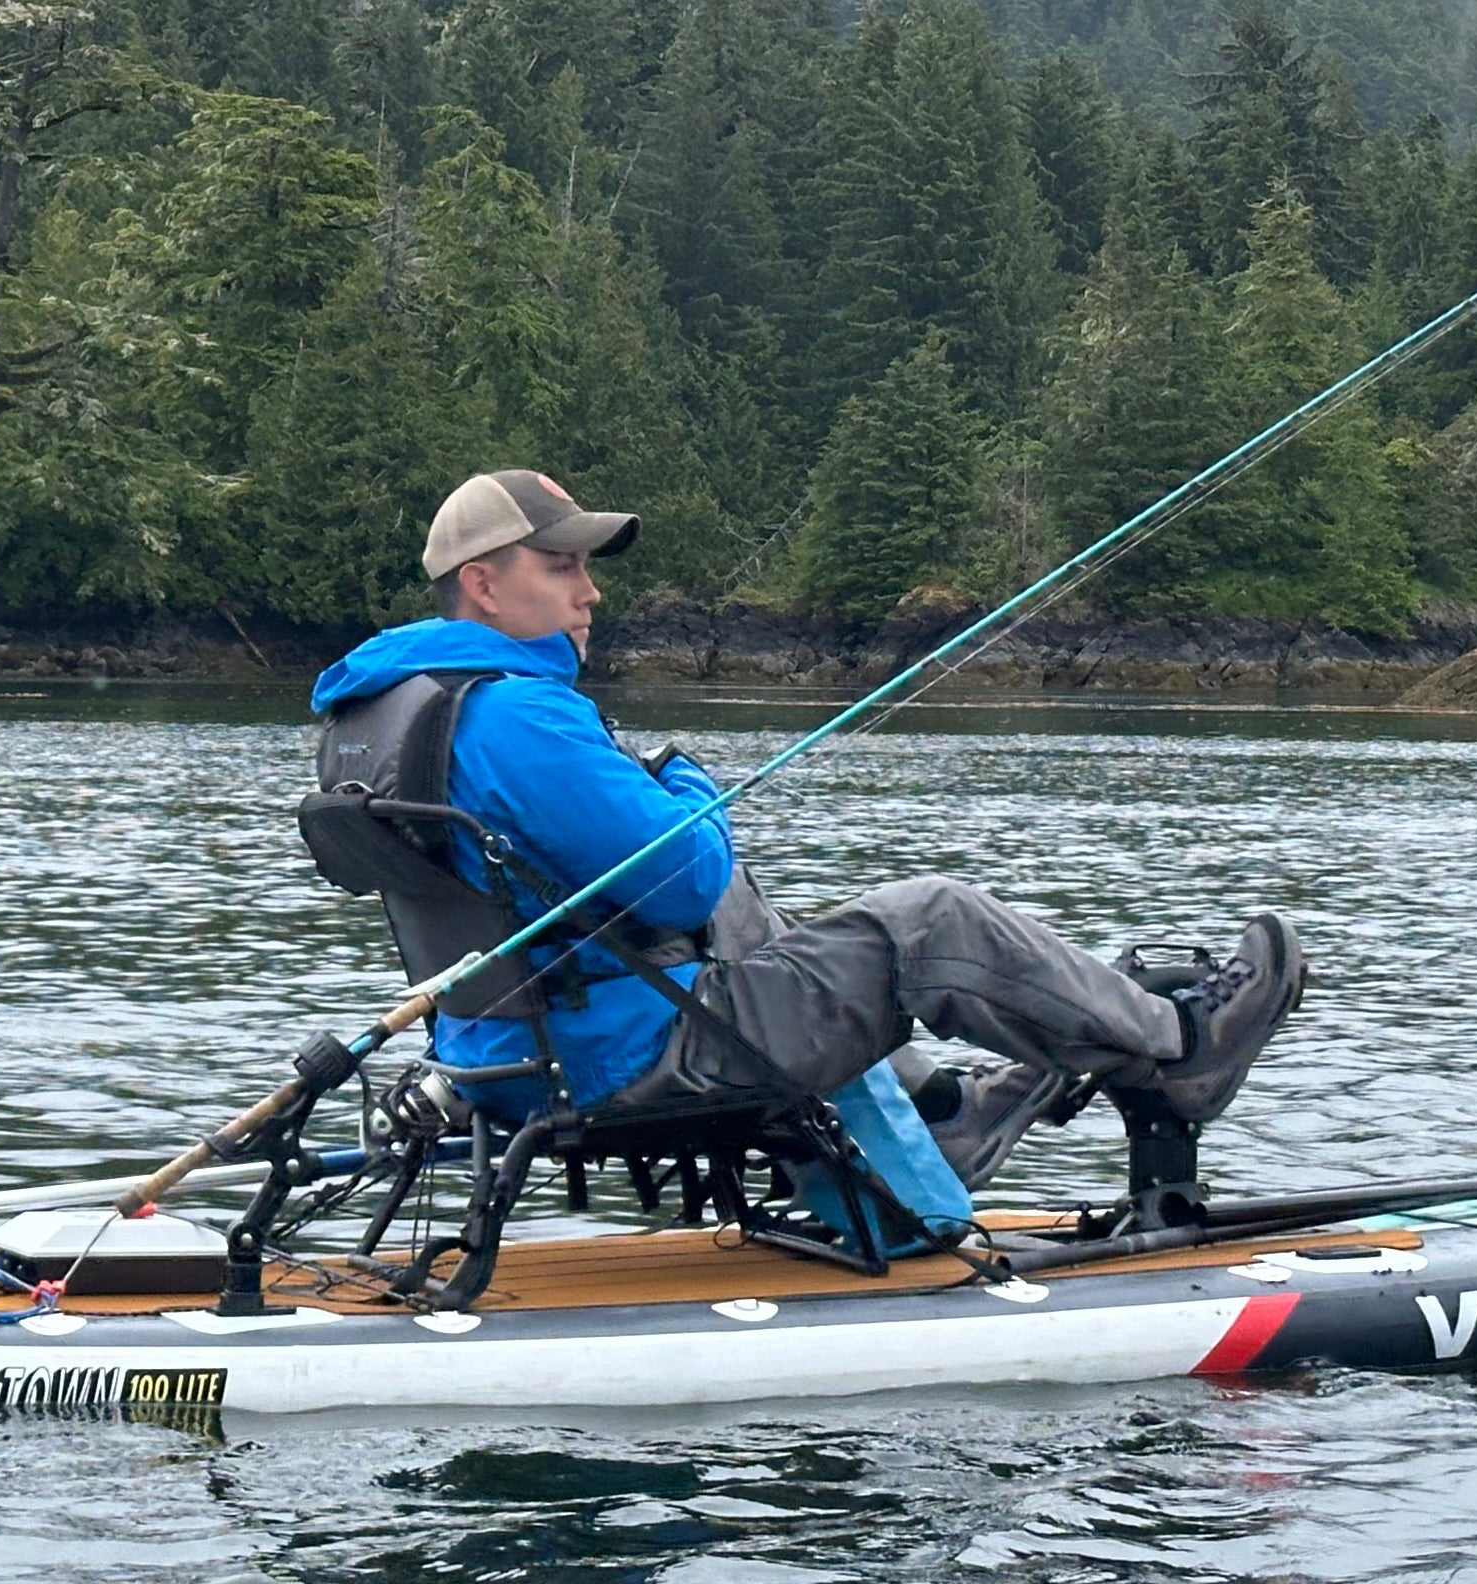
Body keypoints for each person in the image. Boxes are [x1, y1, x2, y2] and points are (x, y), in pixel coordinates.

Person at [305, 468, 1304, 1216]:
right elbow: (686, 881)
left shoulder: (379, 713)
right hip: (631, 1056)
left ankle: (946, 1112)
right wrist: (680, 773)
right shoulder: (518, 719)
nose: (589, 592)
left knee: (778, 927)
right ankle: (1177, 1051)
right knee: (930, 925)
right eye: (560, 567)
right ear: (482, 584)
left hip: (499, 1056)